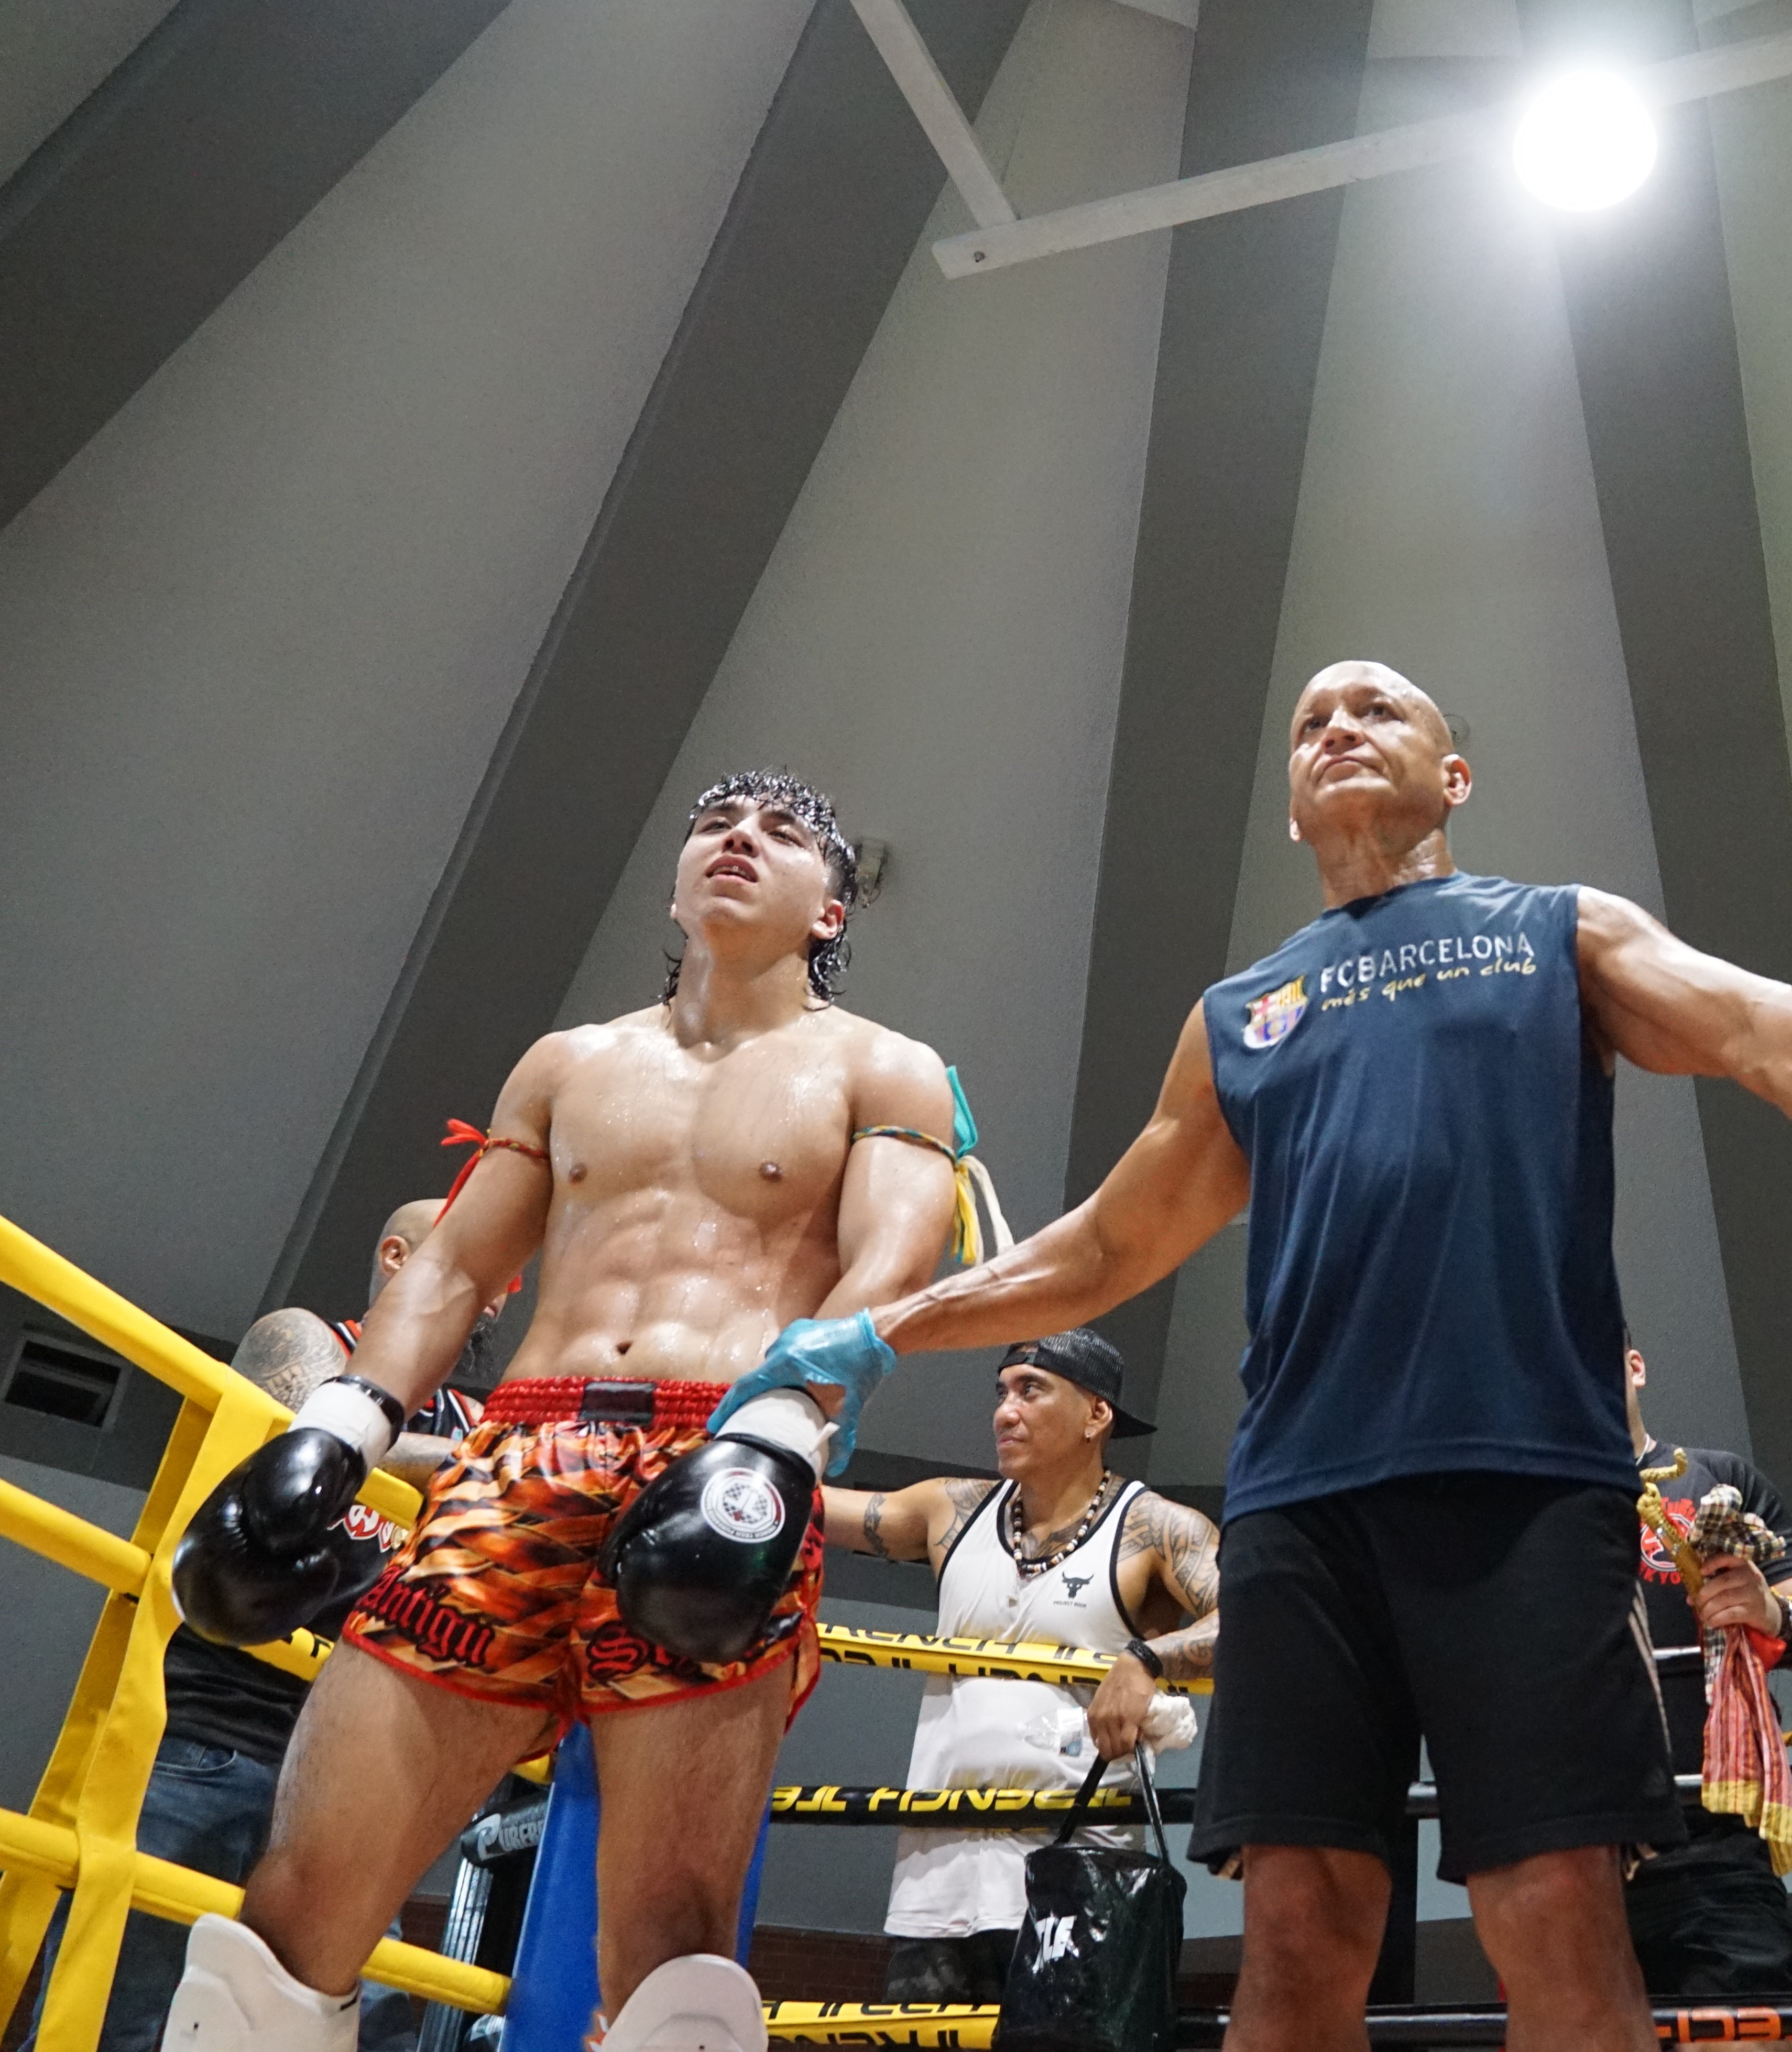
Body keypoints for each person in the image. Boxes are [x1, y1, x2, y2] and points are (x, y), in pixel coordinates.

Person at [730, 660, 1792, 2052]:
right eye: (1310, 721)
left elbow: (1765, 1033)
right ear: (1288, 810)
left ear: (1453, 779)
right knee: (1297, 1938)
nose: (1335, 730)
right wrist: (870, 1332)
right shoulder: (1239, 1016)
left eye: (1376, 711)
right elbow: (1099, 1247)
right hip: (1299, 1510)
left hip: (1524, 1486)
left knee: (1554, 1914)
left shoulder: (1556, 934)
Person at [160, 771, 959, 2052]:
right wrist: (344, 1427)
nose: (737, 837)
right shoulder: (570, 1062)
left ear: (831, 906)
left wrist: (779, 1430)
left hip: (728, 1444)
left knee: (669, 1964)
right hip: (516, 1457)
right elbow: (459, 1265)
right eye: (713, 821)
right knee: (292, 1908)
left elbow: (892, 1269)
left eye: (783, 830)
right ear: (674, 881)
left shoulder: (886, 1067)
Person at [19, 1204, 490, 2052]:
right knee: (118, 2017)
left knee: (360, 2030)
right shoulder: (313, 1339)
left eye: (502, 1279)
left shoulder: (480, 1420)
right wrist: (494, 1469)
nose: (489, 1295)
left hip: (347, 1773)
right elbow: (304, 1435)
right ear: (396, 1255)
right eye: (472, 1257)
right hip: (208, 1739)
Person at [824, 1329, 1218, 2008]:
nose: (1005, 1411)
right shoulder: (950, 1510)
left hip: (1077, 1871)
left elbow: (1253, 1613)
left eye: (1031, 1390)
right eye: (1001, 1392)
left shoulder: (1153, 1528)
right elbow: (806, 1507)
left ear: (1097, 1415)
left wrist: (1147, 1657)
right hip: (937, 1868)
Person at [1620, 1345, 1792, 2006]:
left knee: (1744, 2029)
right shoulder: (1532, 1505)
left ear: (1635, 1366)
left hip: (1715, 1833)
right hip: (1571, 1840)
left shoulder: (1715, 1476)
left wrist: (1770, 1607)